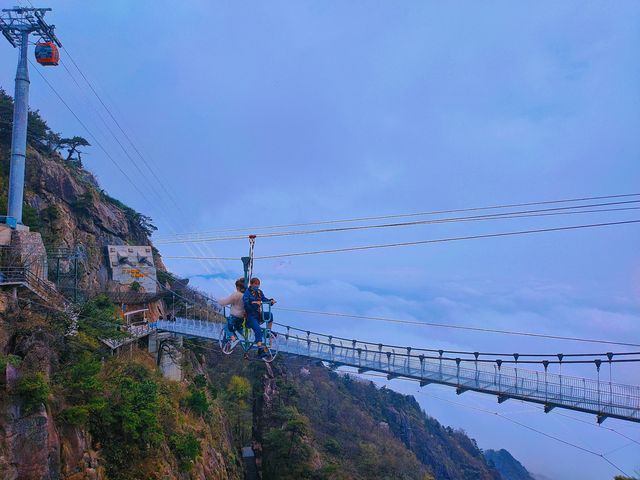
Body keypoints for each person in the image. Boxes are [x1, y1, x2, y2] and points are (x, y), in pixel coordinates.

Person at [242, 277, 276, 358]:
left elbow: (264, 299)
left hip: (258, 314)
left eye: (258, 284)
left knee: (269, 315)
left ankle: (268, 331)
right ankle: (260, 350)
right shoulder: (247, 293)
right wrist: (254, 303)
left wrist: (271, 301)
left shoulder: (259, 292)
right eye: (255, 284)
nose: (257, 286)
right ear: (251, 284)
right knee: (257, 329)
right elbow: (246, 304)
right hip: (250, 316)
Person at [217, 278, 246, 342]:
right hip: (242, 318)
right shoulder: (246, 295)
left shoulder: (236, 294)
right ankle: (245, 337)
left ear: (238, 287)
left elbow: (225, 302)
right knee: (238, 328)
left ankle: (233, 338)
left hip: (234, 317)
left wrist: (218, 301)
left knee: (226, 327)